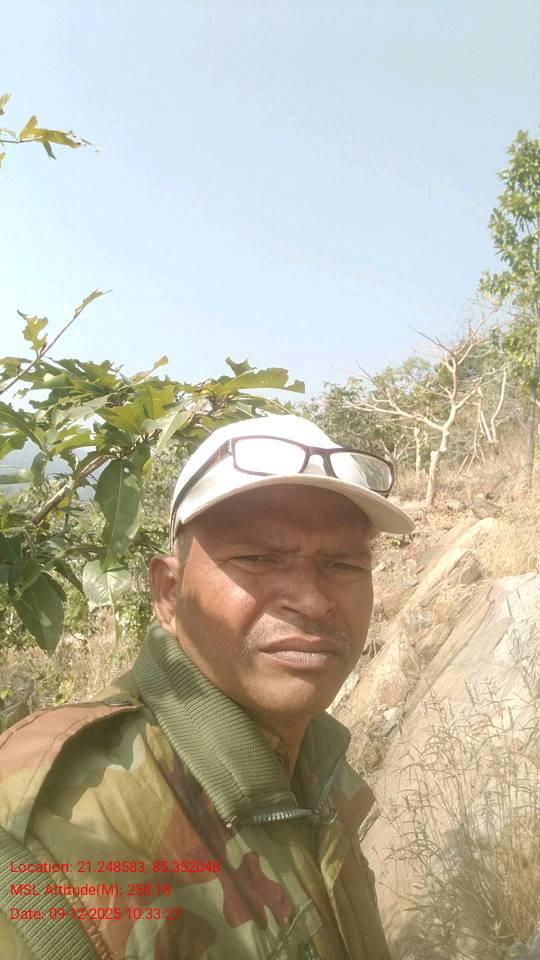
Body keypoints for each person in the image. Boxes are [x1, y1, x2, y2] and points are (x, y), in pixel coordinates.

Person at [0, 413, 413, 960]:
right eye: (258, 559)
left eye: (342, 564)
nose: (313, 601)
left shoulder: (315, 765)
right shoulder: (55, 832)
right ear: (169, 593)